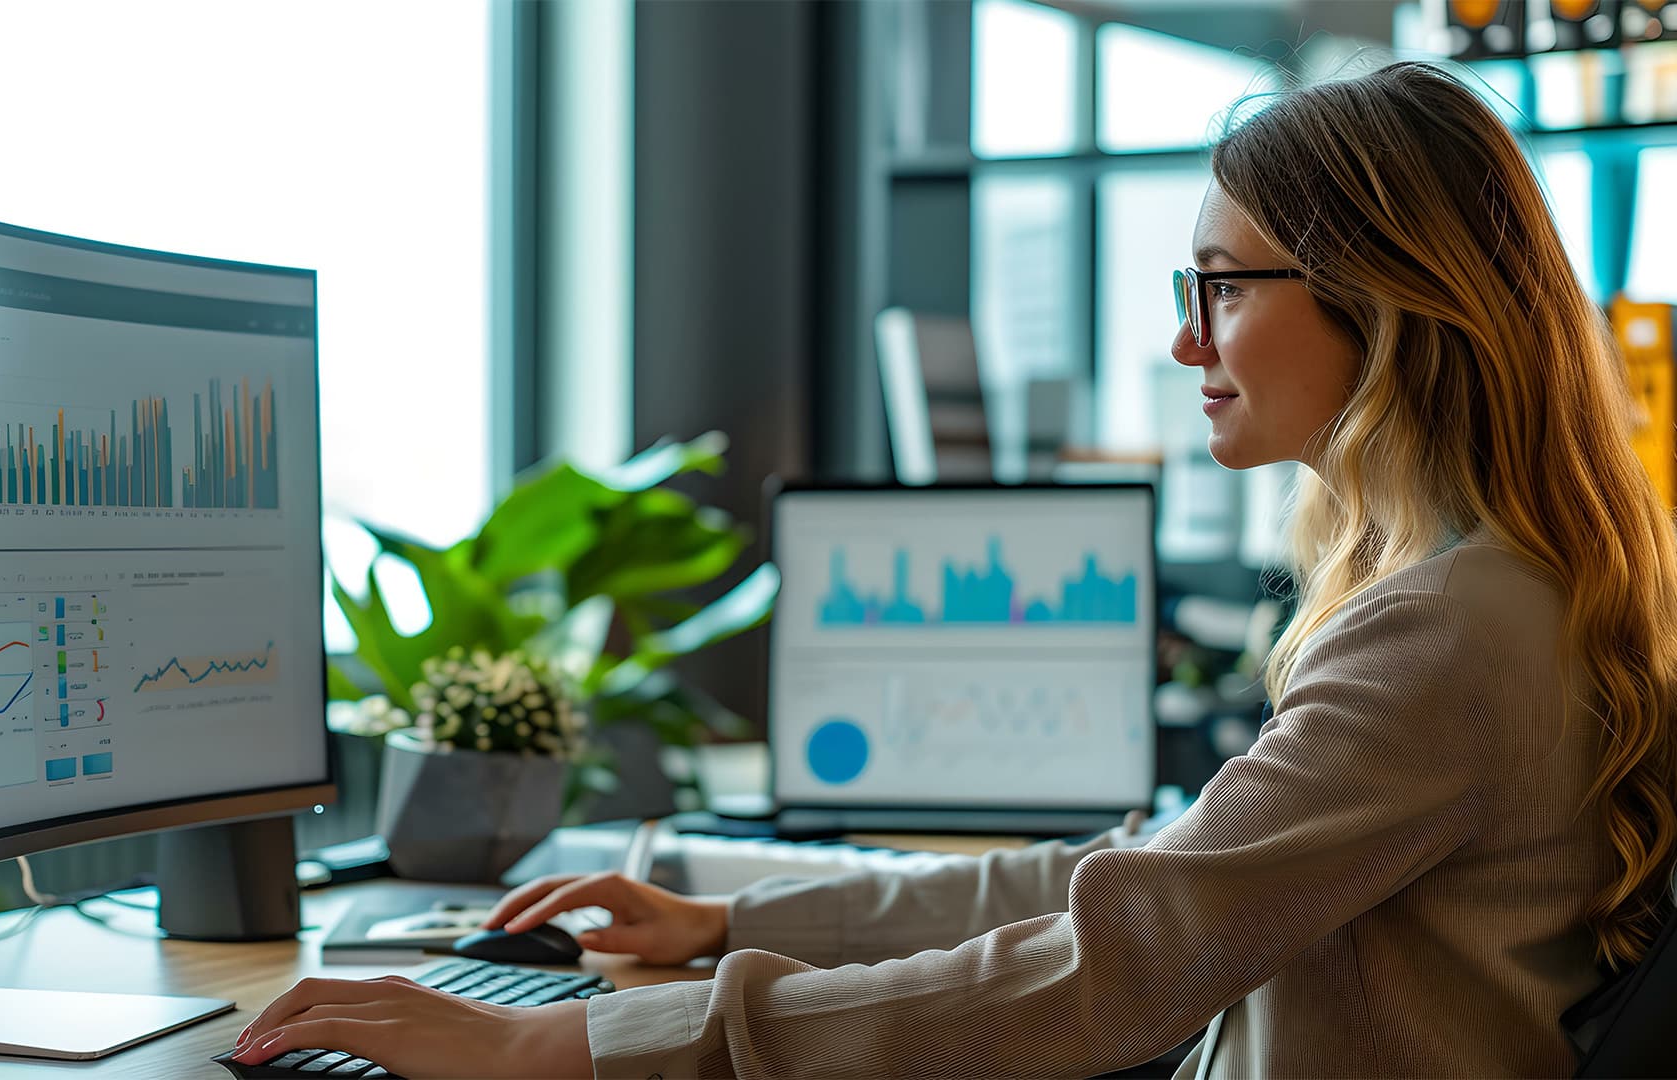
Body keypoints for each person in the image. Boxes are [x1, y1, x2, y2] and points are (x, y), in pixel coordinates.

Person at [230, 59, 1677, 1078]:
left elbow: (1122, 963)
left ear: (1387, 296)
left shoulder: (1443, 632)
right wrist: (739, 913)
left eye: (1220, 286)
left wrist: (581, 1043)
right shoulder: (1482, 589)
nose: (1187, 341)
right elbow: (1140, 884)